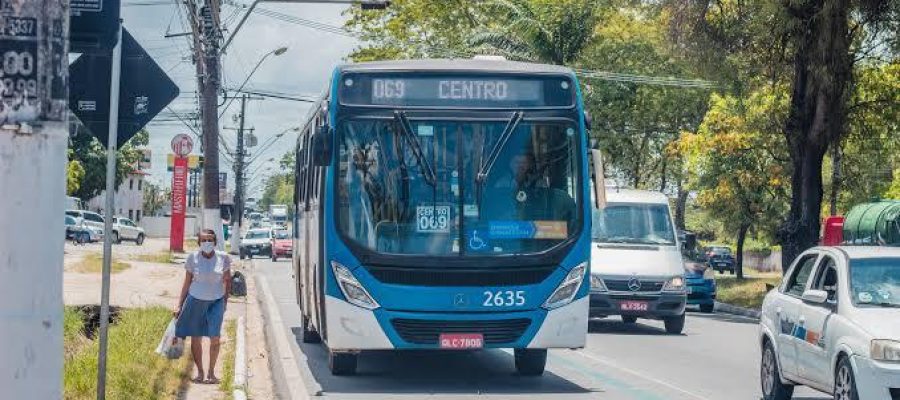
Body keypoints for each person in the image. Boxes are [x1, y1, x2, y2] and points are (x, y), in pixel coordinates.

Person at [174, 229, 232, 384]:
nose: (207, 243)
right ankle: (200, 372)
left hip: (216, 302)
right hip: (195, 300)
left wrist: (225, 301)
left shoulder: (224, 258)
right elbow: (187, 283)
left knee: (215, 337)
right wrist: (179, 305)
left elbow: (227, 281)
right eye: (204, 240)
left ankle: (211, 373)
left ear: (215, 241)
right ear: (199, 242)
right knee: (196, 337)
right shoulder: (193, 258)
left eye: (210, 239)